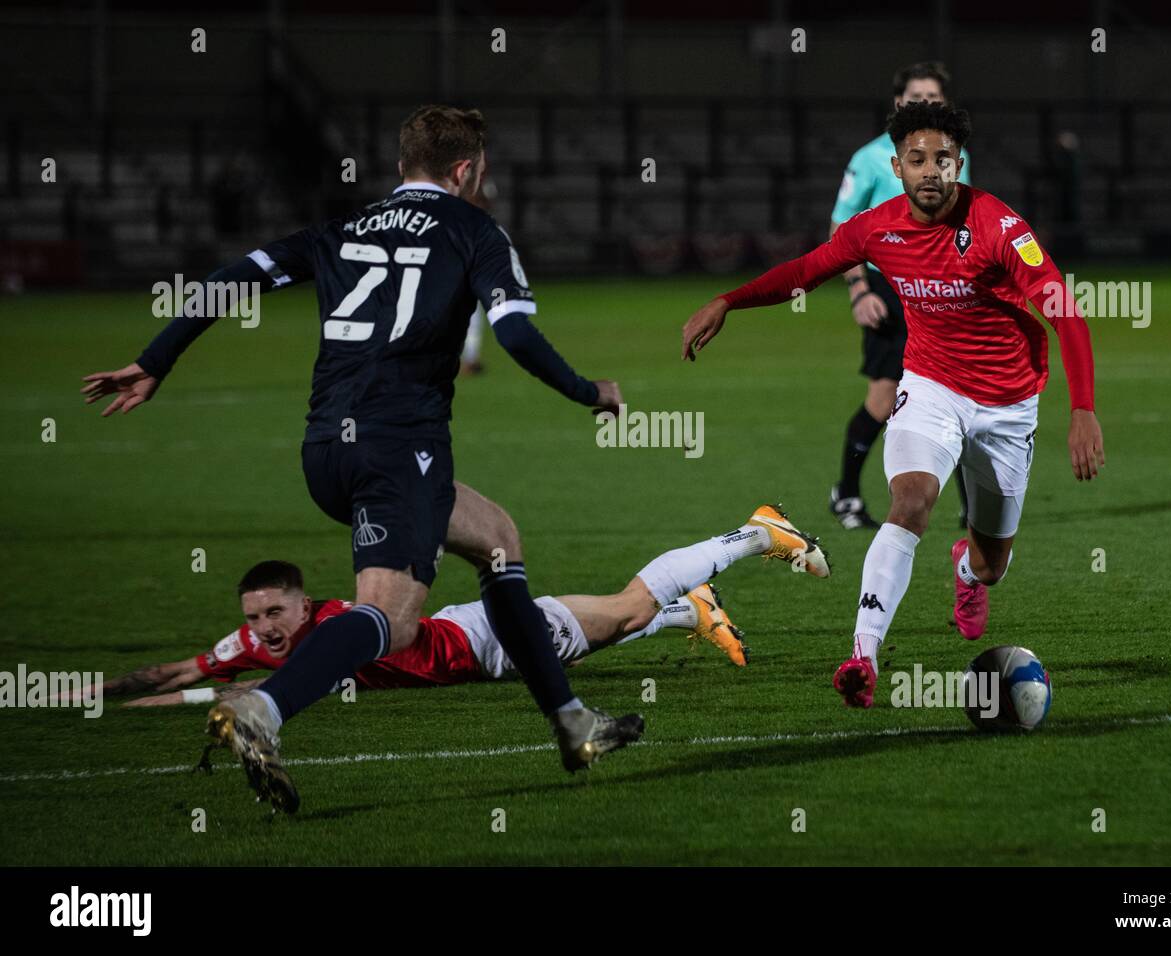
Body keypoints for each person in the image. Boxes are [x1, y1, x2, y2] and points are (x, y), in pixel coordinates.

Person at [82, 105, 638, 813]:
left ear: (404, 166)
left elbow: (231, 276)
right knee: (392, 620)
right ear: (465, 170)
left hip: (326, 450)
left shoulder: (340, 230)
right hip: (398, 450)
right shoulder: (475, 231)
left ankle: (572, 723)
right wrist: (591, 391)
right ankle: (264, 710)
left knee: (496, 538)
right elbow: (518, 337)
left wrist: (153, 361)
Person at [681, 102, 1103, 711]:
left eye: (942, 159)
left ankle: (966, 572)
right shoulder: (877, 227)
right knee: (910, 502)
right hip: (931, 387)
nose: (930, 170)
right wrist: (730, 300)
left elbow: (1063, 308)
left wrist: (1082, 408)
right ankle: (863, 654)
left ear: (958, 165)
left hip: (1009, 406)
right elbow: (807, 269)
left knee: (991, 565)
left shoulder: (999, 226)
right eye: (917, 159)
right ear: (897, 166)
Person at [89, 504, 829, 710]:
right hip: (481, 659)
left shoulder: (337, 625)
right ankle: (695, 610)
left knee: (628, 608)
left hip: (486, 640)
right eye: (254, 619)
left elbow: (238, 689)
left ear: (304, 602)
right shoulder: (255, 647)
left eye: (274, 614)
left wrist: (226, 696)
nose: (264, 630)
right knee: (619, 621)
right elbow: (179, 672)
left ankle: (755, 532)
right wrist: (93, 696)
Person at [828, 62, 972, 531]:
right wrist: (858, 291)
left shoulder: (955, 153)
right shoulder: (871, 157)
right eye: (915, 99)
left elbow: (970, 222)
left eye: (933, 99)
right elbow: (841, 229)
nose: (924, 106)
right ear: (897, 104)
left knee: (964, 391)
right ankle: (846, 493)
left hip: (946, 289)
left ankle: (974, 505)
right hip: (890, 289)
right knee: (884, 397)